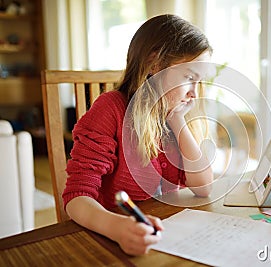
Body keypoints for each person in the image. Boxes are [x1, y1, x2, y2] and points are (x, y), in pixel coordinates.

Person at [62, 14, 214, 256]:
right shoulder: (111, 109)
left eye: (199, 82)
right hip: (111, 239)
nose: (194, 93)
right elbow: (76, 197)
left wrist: (178, 120)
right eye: (189, 77)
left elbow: (204, 187)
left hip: (163, 237)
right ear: (154, 64)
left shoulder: (170, 116)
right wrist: (118, 227)